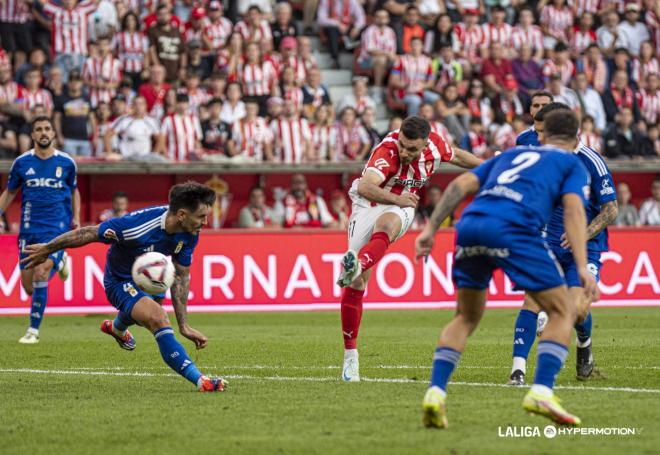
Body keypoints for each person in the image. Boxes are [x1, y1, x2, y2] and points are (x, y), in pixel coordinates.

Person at [415, 109, 597, 428]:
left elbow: (459, 186)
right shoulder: (572, 164)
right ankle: (541, 390)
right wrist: (582, 266)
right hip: (514, 230)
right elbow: (573, 213)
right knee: (563, 310)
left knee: (466, 317)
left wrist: (430, 229)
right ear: (576, 138)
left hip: (471, 226)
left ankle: (435, 393)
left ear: (542, 135)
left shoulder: (512, 155)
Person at [20, 182, 227, 392]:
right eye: (201, 216)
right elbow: (88, 233)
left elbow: (181, 277)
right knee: (157, 317)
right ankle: (202, 381)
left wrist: (184, 325)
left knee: (150, 310)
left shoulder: (190, 233)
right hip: (119, 280)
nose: (205, 222)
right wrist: (48, 248)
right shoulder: (135, 227)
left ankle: (117, 328)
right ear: (182, 215)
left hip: (150, 275)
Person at [336, 116, 482, 382]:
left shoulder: (436, 146)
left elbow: (458, 156)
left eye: (411, 149)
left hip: (400, 206)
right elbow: (367, 186)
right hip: (368, 203)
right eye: (403, 145)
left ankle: (357, 263)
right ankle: (350, 358)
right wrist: (397, 197)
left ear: (425, 143)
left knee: (388, 226)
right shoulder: (388, 150)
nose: (404, 152)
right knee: (356, 285)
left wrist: (489, 168)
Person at [506, 103, 618, 388]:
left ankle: (584, 342)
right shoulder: (542, 156)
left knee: (578, 309)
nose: (541, 139)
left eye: (546, 133)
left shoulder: (592, 162)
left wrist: (583, 233)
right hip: (547, 242)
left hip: (586, 246)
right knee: (531, 298)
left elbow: (611, 209)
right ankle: (517, 372)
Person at [0, 116, 80, 344]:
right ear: (33, 135)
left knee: (41, 273)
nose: (44, 132)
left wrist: (75, 217)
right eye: (39, 129)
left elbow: (74, 190)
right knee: (28, 287)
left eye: (47, 129)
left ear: (54, 134)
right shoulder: (22, 163)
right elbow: (9, 193)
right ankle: (62, 261)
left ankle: (33, 331)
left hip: (57, 228)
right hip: (29, 230)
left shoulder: (66, 162)